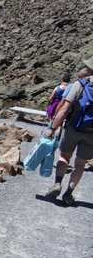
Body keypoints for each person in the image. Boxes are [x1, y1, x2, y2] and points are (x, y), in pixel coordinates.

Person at [44, 58, 93, 206]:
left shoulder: (81, 84)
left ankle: (57, 183)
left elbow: (65, 108)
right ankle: (68, 193)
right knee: (80, 164)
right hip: (91, 134)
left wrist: (53, 128)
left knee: (64, 157)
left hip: (73, 128)